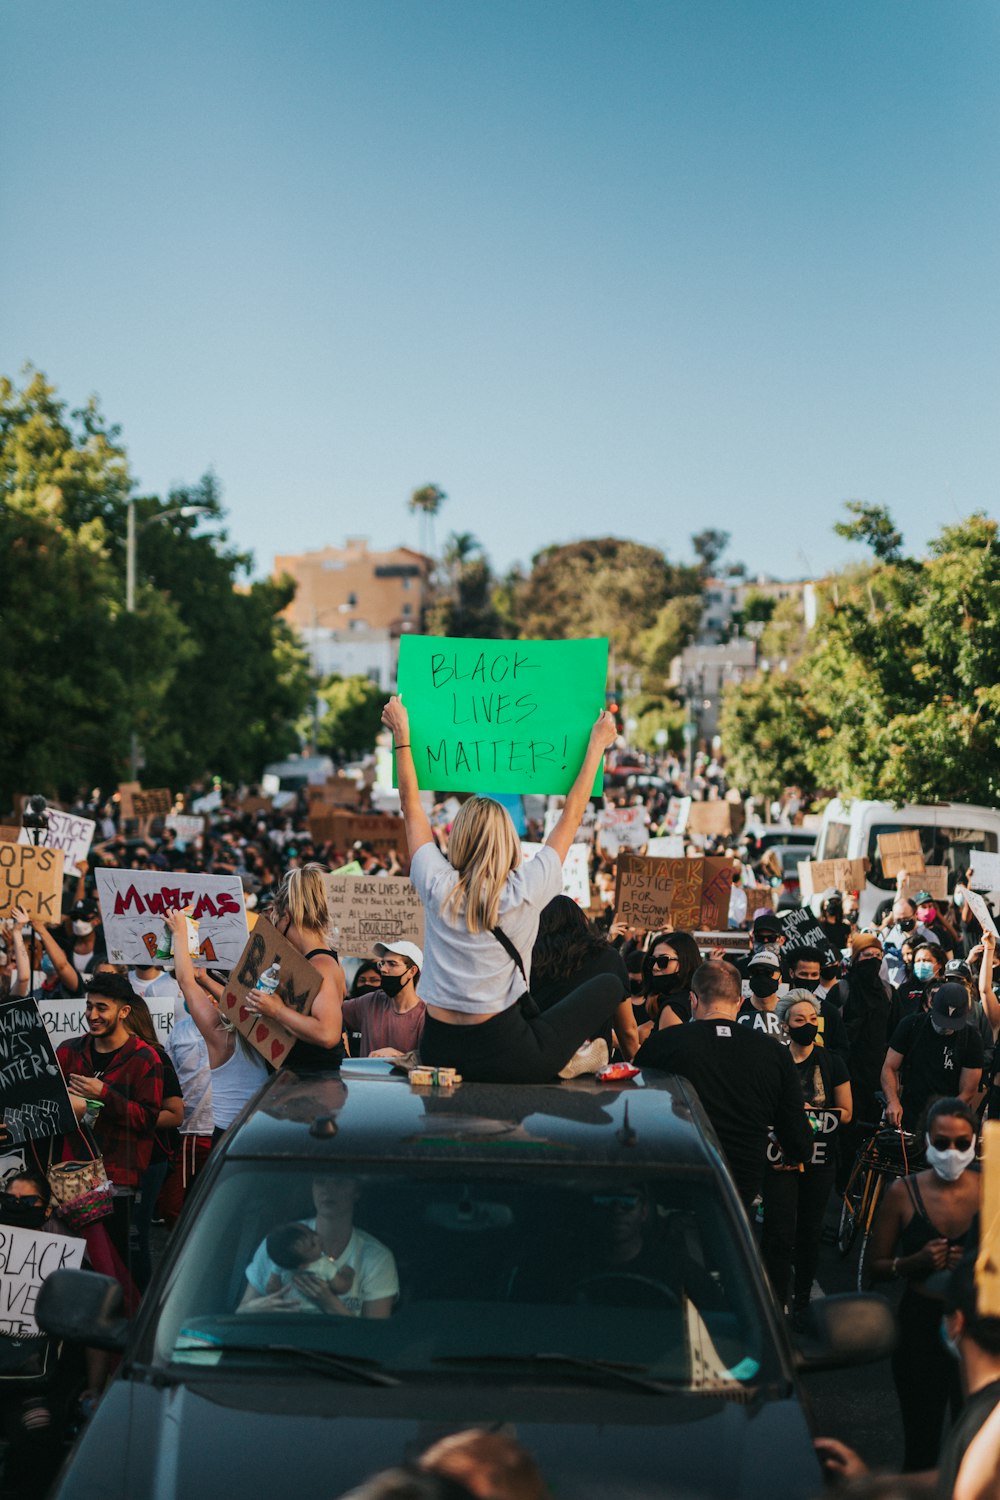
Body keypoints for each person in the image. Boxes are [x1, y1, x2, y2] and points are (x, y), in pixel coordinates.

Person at [383, 695, 623, 1083]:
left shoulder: (435, 881)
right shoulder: (526, 887)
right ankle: (568, 1057)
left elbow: (412, 808)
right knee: (610, 982)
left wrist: (402, 734)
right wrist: (596, 745)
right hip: (508, 1053)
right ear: (509, 841)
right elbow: (572, 815)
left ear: (458, 838)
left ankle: (562, 1054)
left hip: (438, 1049)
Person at [634, 960, 814, 1212]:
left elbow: (637, 1110)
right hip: (739, 1183)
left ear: (693, 1000)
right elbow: (796, 1131)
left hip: (676, 1171)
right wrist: (796, 1151)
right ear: (739, 1002)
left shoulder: (662, 1043)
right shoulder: (774, 1052)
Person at [866, 1097, 982, 1471]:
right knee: (922, 1445)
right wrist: (910, 1263)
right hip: (920, 1327)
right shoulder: (902, 1193)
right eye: (942, 1142)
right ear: (926, 1141)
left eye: (961, 1143)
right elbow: (876, 1267)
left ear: (974, 1142)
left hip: (977, 1329)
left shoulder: (991, 1192)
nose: (952, 1152)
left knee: (976, 1449)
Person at [55, 973, 163, 1266]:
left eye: (101, 1007)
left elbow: (148, 1119)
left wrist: (104, 1095)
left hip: (118, 1180)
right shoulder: (68, 1051)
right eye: (89, 1006)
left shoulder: (145, 1058)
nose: (92, 1015)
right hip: (70, 1182)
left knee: (115, 1268)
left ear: (124, 1012)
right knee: (74, 1265)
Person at [760, 991, 852, 1324]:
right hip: (781, 1158)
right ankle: (776, 1299)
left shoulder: (832, 1062)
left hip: (819, 1158)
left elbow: (846, 1113)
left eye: (813, 1020)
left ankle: (801, 1301)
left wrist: (816, 1115)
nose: (808, 1026)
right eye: (800, 1020)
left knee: (810, 1232)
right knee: (779, 1231)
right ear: (785, 1025)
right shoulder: (773, 1059)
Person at [165, 907, 269, 1140]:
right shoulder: (275, 1036)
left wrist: (180, 932)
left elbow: (185, 982)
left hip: (226, 1137)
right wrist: (204, 978)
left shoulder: (221, 1038)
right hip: (264, 1134)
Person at [240, 1175, 398, 1318]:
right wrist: (256, 1311)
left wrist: (328, 1301)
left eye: (339, 1181)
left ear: (356, 1192)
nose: (328, 1190)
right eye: (320, 1181)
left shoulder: (376, 1258)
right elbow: (242, 1311)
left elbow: (372, 1337)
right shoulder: (279, 1243)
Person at [243, 864, 347, 1070]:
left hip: (315, 1085)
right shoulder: (315, 960)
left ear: (287, 916)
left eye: (276, 919)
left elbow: (328, 1034)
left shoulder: (320, 965)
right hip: (305, 1084)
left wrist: (278, 1010)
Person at [119, 994, 184, 1290]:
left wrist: (121, 1114)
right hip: (110, 1158)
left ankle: (141, 1308)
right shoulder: (98, 1054)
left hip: (148, 1160)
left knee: (134, 1236)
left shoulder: (156, 1058)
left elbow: (175, 1115)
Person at [530, 896, 634, 1059]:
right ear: (581, 922)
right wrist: (636, 1066)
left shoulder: (529, 957)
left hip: (538, 1057)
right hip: (593, 1065)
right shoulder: (608, 958)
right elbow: (627, 1030)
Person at [881, 982, 984, 1131]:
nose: (945, 1027)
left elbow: (967, 1091)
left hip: (948, 1115)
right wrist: (892, 1101)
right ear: (930, 1003)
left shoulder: (971, 1038)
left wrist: (944, 1117)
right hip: (910, 1110)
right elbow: (889, 1067)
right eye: (942, 1019)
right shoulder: (911, 1025)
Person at [239, 1221, 359, 1314]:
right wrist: (348, 1273)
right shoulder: (322, 1265)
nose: (317, 1238)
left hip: (290, 1316)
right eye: (313, 1244)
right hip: (316, 1317)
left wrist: (280, 1299)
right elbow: (341, 1287)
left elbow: (272, 1287)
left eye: (312, 1232)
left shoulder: (279, 1266)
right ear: (303, 1266)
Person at [341, 941, 426, 1058]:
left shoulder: (424, 1016)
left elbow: (431, 1063)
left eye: (392, 964)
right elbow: (332, 1014)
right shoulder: (370, 1002)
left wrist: (398, 1056)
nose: (383, 969)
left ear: (412, 971)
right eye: (382, 963)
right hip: (366, 1076)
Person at [785, 945, 850, 1062]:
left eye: (814, 975)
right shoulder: (780, 1007)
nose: (809, 979)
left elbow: (842, 1050)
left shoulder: (829, 1011)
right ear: (791, 973)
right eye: (803, 974)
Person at [636, 930, 701, 1031]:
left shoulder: (677, 1006)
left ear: (685, 962)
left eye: (663, 961)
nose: (655, 967)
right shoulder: (655, 1000)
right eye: (652, 961)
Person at [737, 948, 785, 1038]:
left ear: (780, 978)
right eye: (756, 972)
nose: (762, 977)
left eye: (768, 972)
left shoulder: (788, 1011)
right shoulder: (738, 1009)